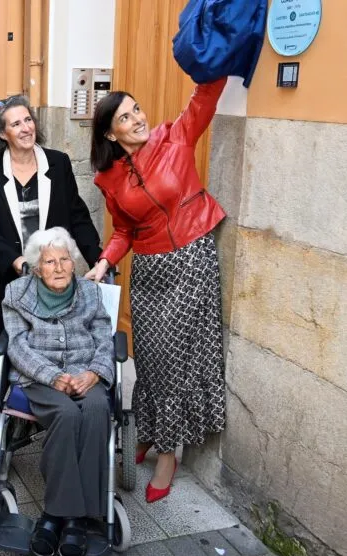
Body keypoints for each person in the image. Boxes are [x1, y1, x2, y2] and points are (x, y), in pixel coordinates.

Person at [86, 77, 228, 503]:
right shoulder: (108, 178)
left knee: (171, 361)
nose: (137, 119)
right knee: (147, 357)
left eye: (137, 109)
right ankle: (146, 430)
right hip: (148, 270)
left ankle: (169, 453)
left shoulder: (175, 137)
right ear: (111, 133)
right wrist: (104, 262)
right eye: (125, 117)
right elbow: (124, 230)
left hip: (189, 260)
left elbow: (205, 97)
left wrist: (212, 59)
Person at [2, 227, 114, 556]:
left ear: (74, 262)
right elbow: (18, 347)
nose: (60, 267)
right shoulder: (16, 294)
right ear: (37, 267)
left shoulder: (90, 293)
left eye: (65, 259)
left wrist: (94, 373)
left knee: (96, 411)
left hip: (86, 374)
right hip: (38, 377)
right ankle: (62, 515)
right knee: (65, 414)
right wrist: (53, 377)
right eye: (50, 261)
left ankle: (68, 517)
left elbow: (106, 338)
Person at [0, 95, 101, 370]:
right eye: (16, 124)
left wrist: (97, 256)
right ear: (3, 133)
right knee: (9, 340)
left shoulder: (58, 162)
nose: (26, 128)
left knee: (49, 341)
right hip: (6, 270)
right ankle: (12, 398)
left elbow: (77, 214)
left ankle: (46, 396)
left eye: (28, 120)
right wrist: (15, 261)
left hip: (51, 270)